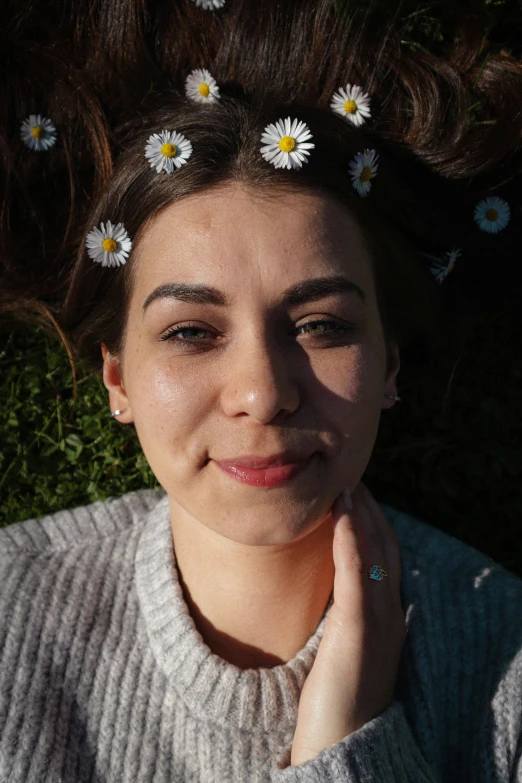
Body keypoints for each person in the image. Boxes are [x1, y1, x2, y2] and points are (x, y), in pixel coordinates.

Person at [1, 1, 521, 781]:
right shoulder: (8, 614)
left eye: (319, 325)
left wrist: (350, 745)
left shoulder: (506, 651)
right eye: (191, 331)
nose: (263, 393)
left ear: (389, 366)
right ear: (118, 376)